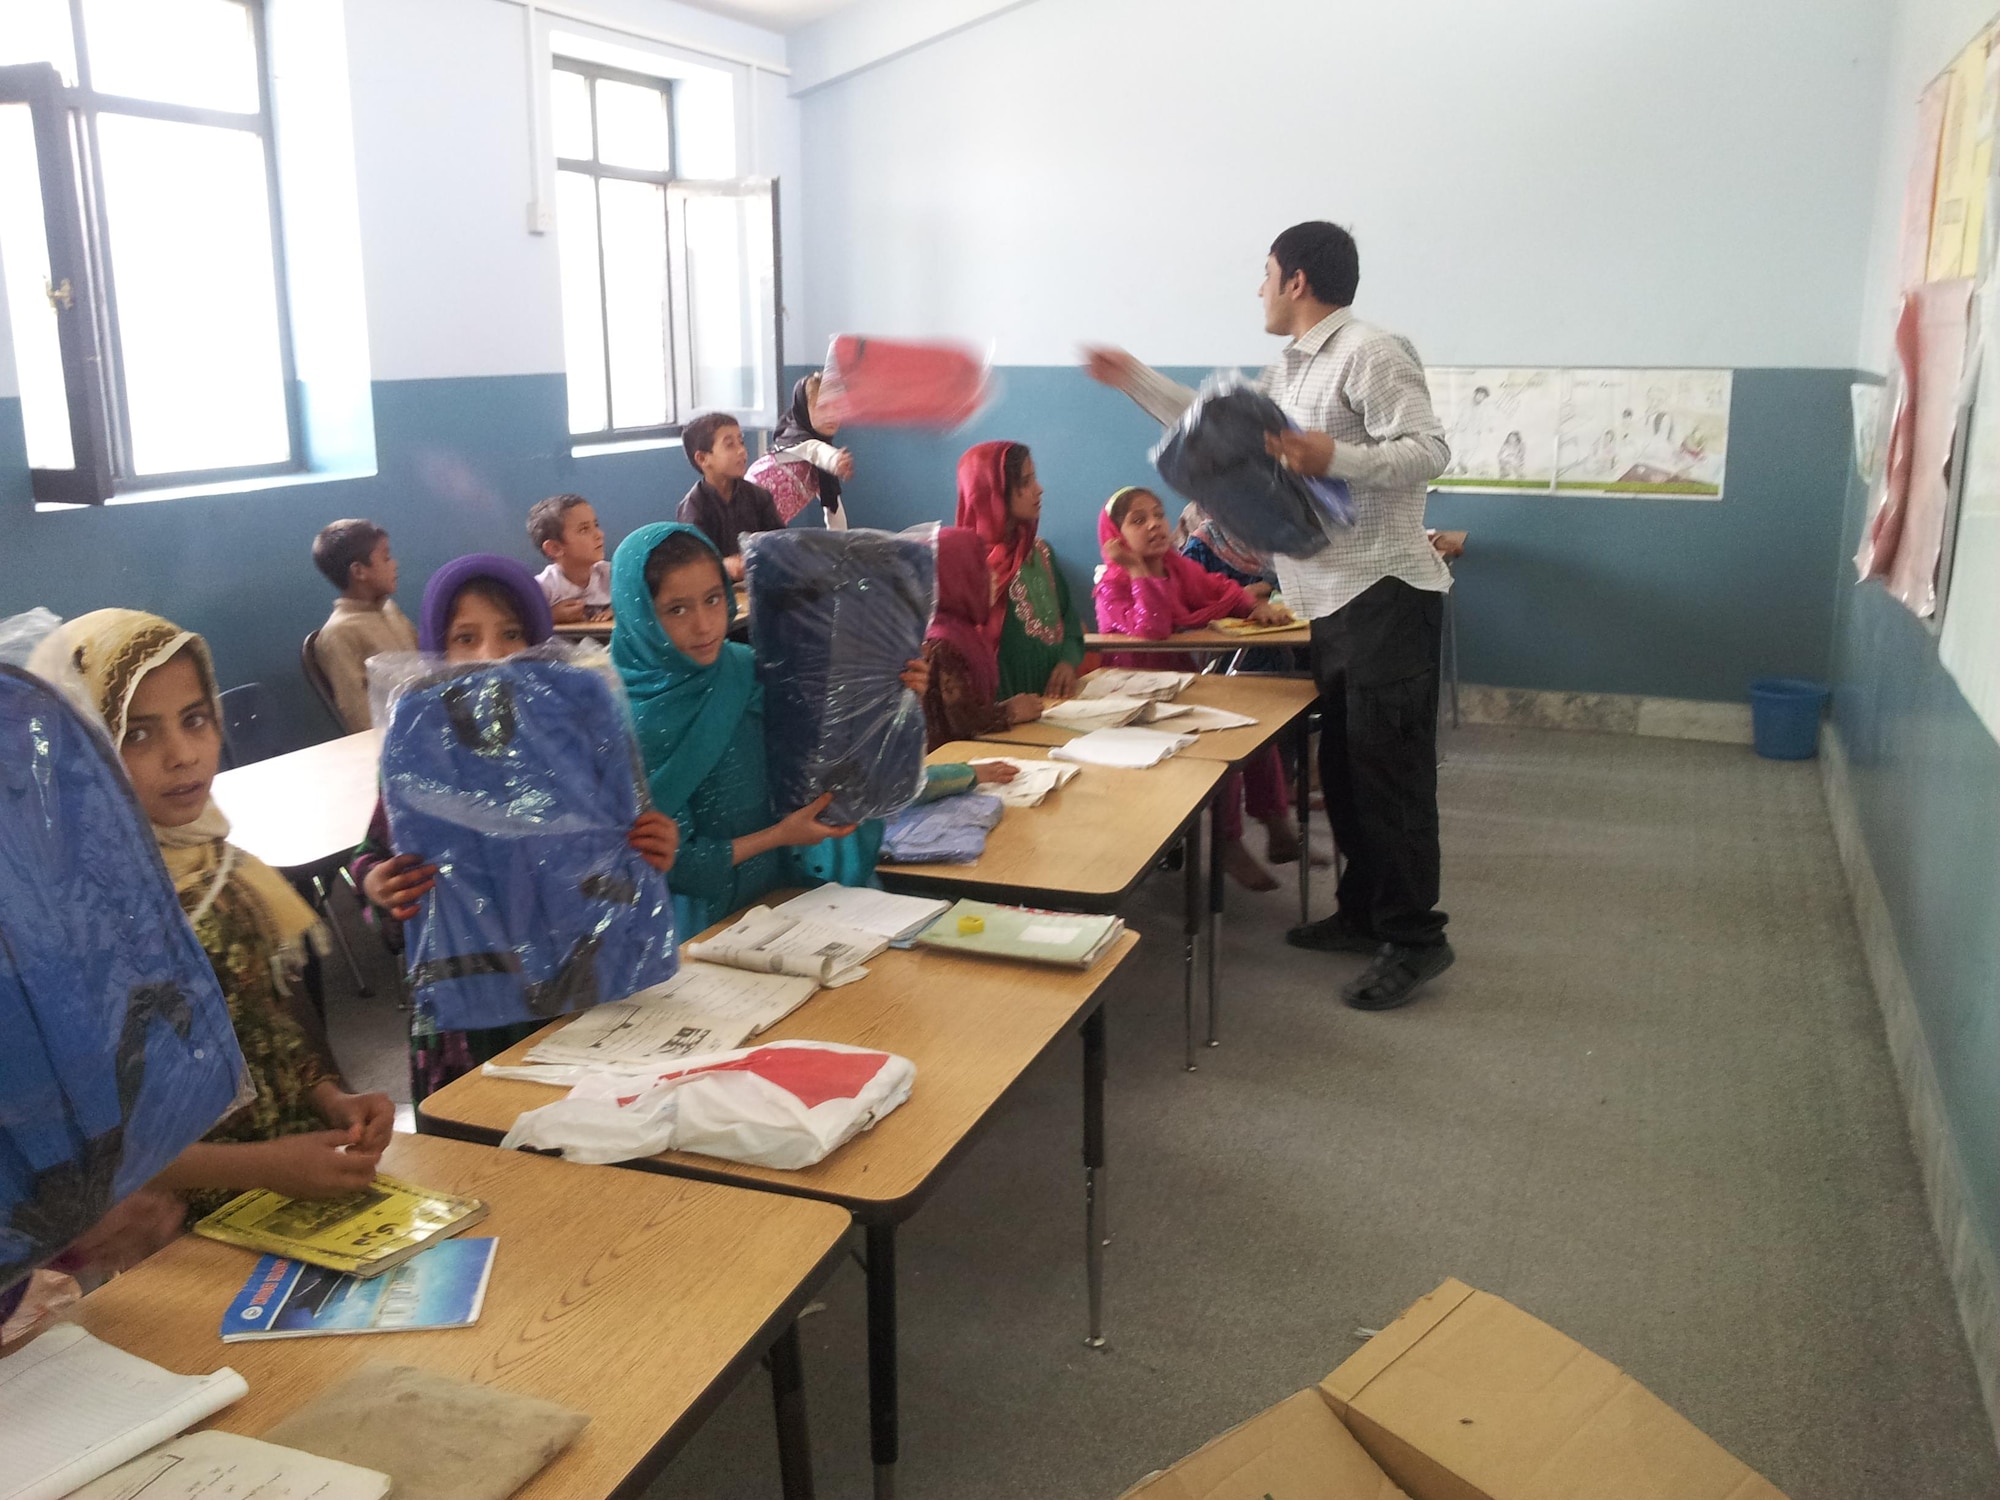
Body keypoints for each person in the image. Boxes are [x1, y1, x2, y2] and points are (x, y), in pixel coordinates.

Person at [1086, 219, 1455, 1010]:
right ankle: (1364, 913)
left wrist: (1337, 457)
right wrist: (1133, 378)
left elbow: (1428, 450)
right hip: (1328, 601)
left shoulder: (1370, 351)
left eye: (1264, 272)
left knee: (1391, 782)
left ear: (1296, 281)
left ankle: (1416, 937)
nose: (1256, 287)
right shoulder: (1290, 370)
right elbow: (1214, 428)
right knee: (1352, 779)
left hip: (1387, 592)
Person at [30, 610, 395, 1218]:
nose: (183, 755)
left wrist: (331, 1098)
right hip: (174, 1226)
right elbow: (84, 1142)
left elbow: (260, 1023)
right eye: (138, 734)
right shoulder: (66, 915)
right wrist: (269, 1167)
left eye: (195, 720)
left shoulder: (220, 864)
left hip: (290, 1194)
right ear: (81, 747)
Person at [356, 554, 678, 1101]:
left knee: (585, 1128)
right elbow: (375, 851)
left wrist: (658, 848)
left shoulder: (582, 722)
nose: (492, 656)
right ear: (437, 648)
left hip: (586, 988)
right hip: (472, 1011)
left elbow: (632, 830)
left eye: (512, 634)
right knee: (485, 1130)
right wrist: (376, 887)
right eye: (465, 637)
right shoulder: (421, 740)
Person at [611, 523, 959, 935]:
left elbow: (833, 753)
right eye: (677, 609)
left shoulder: (747, 668)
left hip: (786, 903)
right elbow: (679, 868)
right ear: (641, 616)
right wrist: (780, 835)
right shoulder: (626, 720)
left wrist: (898, 699)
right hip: (704, 932)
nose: (705, 625)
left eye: (712, 599)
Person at [1095, 486, 1299, 889]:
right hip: (1133, 700)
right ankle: (1228, 842)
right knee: (1225, 744)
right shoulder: (1112, 583)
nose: (1154, 524)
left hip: (1179, 687)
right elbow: (1151, 627)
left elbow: (1220, 590)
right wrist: (1137, 569)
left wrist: (1254, 606)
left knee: (1254, 728)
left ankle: (1274, 817)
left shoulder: (1175, 567)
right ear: (1115, 538)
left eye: (1158, 515)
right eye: (1138, 520)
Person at [955, 440, 1086, 700]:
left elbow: (1069, 622)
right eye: (1025, 483)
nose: (1039, 490)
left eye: (1034, 479)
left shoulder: (1041, 553)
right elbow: (963, 656)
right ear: (993, 492)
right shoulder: (968, 567)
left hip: (1055, 705)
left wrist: (1067, 663)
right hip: (1005, 716)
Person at [921, 526, 1043, 748]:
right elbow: (957, 722)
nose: (993, 576)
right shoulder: (942, 642)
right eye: (980, 568)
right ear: (956, 578)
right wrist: (1009, 712)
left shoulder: (964, 632)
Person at [311, 518, 418, 732]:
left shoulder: (390, 610)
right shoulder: (339, 634)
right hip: (397, 739)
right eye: (386, 558)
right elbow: (358, 716)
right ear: (359, 571)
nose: (394, 564)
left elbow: (426, 664)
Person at [677, 412, 782, 581]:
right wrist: (723, 565)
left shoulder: (759, 496)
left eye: (741, 442)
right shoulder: (693, 507)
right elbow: (693, 566)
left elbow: (781, 543)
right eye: (729, 445)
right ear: (703, 459)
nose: (741, 451)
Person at [746, 372, 854, 530]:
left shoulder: (821, 471)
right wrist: (835, 459)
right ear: (803, 408)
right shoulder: (796, 441)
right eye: (821, 407)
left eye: (837, 407)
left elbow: (833, 508)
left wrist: (842, 545)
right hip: (745, 507)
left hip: (765, 527)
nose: (831, 415)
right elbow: (815, 450)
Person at [527, 493, 611, 623]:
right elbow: (518, 622)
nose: (599, 534)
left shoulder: (611, 575)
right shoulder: (544, 587)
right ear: (555, 548)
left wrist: (618, 610)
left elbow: (643, 602)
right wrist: (551, 616)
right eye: (584, 529)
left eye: (596, 525)